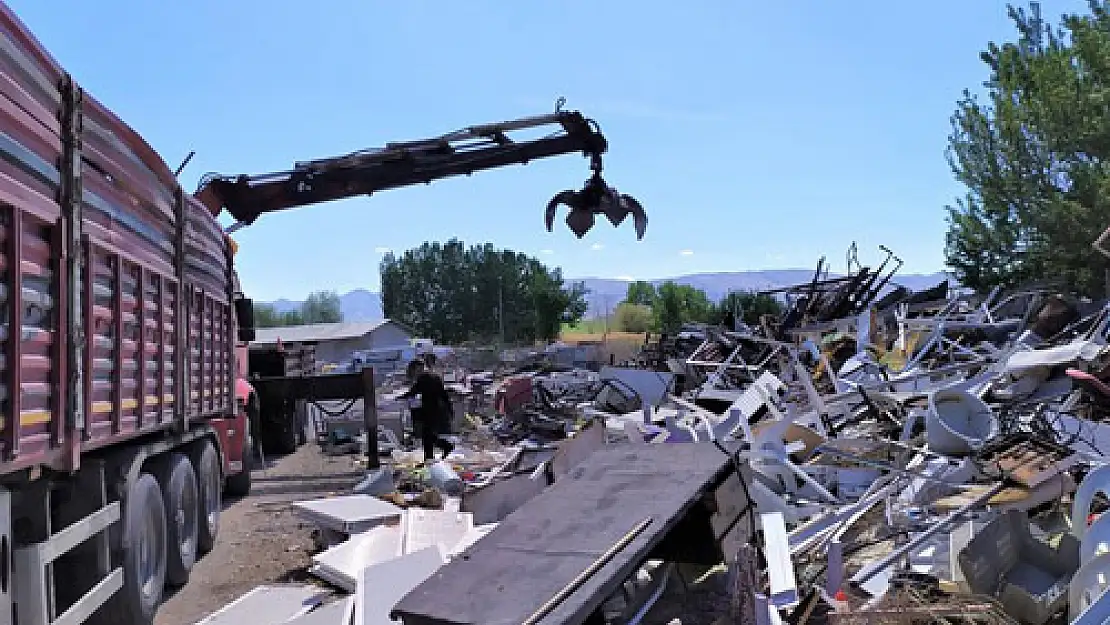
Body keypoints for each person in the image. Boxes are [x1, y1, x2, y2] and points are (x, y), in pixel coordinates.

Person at [399, 359, 454, 462]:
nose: (414, 372)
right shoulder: (433, 376)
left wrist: (398, 398)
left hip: (431, 410)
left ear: (418, 368)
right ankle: (438, 452)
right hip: (437, 410)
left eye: (414, 370)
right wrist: (450, 410)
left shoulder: (424, 378)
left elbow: (413, 392)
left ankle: (436, 453)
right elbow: (444, 395)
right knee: (428, 436)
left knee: (427, 436)